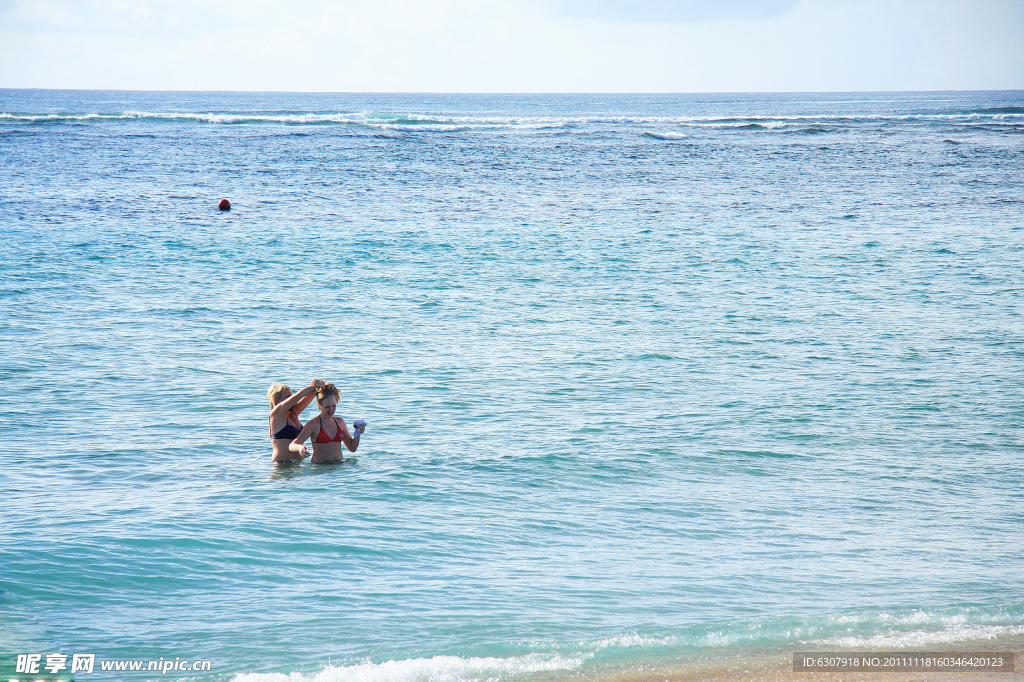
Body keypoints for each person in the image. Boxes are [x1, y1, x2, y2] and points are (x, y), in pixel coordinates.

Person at [289, 383, 366, 464]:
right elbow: (292, 445)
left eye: (334, 406)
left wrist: (357, 433)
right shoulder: (313, 424)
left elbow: (352, 448)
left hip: (339, 466)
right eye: (327, 407)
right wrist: (300, 447)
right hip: (320, 468)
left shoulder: (340, 422)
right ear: (319, 406)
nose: (331, 410)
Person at [268, 379, 325, 462]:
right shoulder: (276, 414)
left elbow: (313, 393)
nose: (292, 399)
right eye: (288, 397)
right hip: (281, 465)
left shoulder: (294, 412)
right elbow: (300, 395)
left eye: (291, 396)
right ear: (277, 401)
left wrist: (319, 385)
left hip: (297, 464)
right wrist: (313, 386)